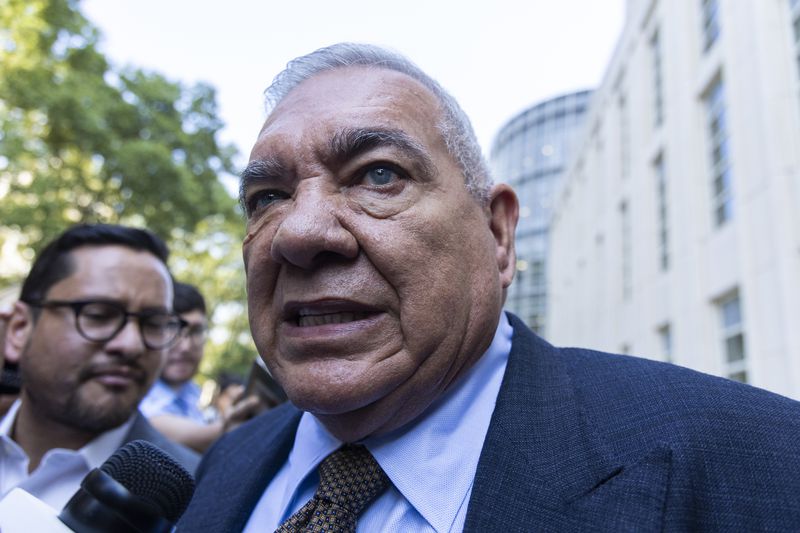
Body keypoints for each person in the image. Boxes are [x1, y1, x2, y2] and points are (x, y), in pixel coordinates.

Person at [179, 43, 800, 531]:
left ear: (498, 233)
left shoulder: (760, 462)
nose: (300, 230)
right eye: (268, 197)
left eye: (378, 175)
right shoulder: (224, 469)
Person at [1, 224, 199, 511]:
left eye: (154, 323)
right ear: (20, 328)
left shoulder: (201, 502)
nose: (131, 345)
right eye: (98, 315)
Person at [140, 281, 261, 452]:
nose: (185, 347)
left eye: (196, 331)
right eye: (172, 328)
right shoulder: (136, 390)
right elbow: (150, 426)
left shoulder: (191, 392)